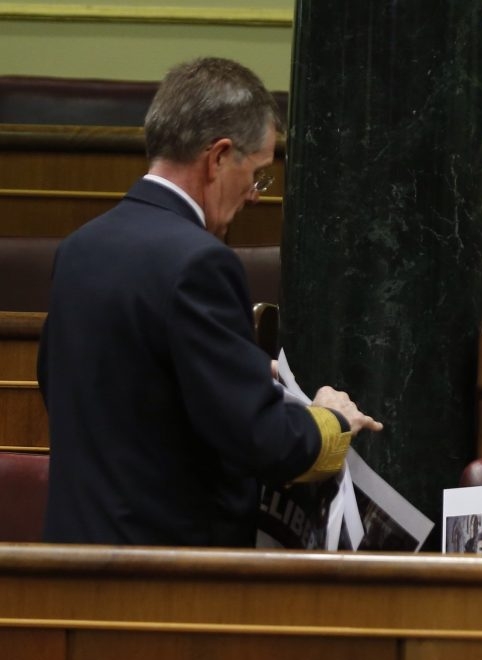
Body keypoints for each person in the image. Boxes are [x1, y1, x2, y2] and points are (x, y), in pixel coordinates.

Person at [38, 57, 381, 547]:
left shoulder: (80, 247)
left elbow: (70, 385)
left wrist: (227, 373)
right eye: (258, 172)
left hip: (73, 561)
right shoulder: (200, 262)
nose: (256, 195)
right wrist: (331, 420)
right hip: (167, 575)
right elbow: (260, 439)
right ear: (219, 157)